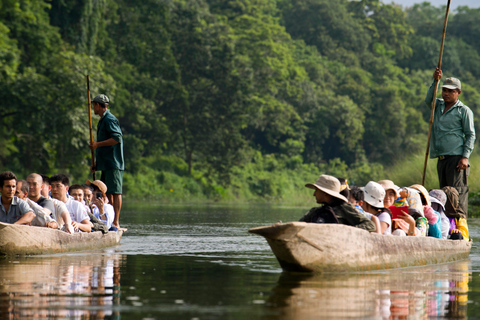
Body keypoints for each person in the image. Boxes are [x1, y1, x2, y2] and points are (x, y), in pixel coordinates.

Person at [425, 68, 475, 215]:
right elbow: (428, 100)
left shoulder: (464, 111)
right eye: (444, 90)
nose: (446, 93)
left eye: (450, 91)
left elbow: (470, 135)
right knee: (444, 195)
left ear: (458, 92)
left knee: (456, 195)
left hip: (457, 160)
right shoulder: (438, 106)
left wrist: (465, 157)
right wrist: (435, 81)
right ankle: (447, 229)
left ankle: (460, 228)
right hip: (442, 158)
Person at [89, 94, 124, 228]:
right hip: (106, 163)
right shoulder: (103, 120)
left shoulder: (110, 119)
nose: (93, 108)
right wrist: (97, 164)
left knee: (115, 192)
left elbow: (117, 138)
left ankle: (115, 222)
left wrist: (97, 144)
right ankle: (108, 219)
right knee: (107, 192)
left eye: (94, 105)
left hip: (114, 163)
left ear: (98, 105)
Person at [299, 174, 376, 232]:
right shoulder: (314, 211)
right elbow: (298, 225)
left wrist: (345, 231)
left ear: (325, 193)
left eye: (316, 190)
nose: (314, 194)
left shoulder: (345, 208)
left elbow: (370, 225)